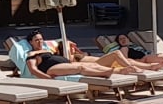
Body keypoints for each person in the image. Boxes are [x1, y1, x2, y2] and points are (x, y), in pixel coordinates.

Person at [23, 33, 151, 80]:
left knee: (89, 65)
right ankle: (104, 73)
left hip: (65, 64)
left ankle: (116, 71)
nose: (40, 42)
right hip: (50, 69)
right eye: (36, 40)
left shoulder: (47, 50)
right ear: (30, 43)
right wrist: (48, 79)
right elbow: (33, 70)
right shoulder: (31, 54)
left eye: (41, 39)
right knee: (81, 68)